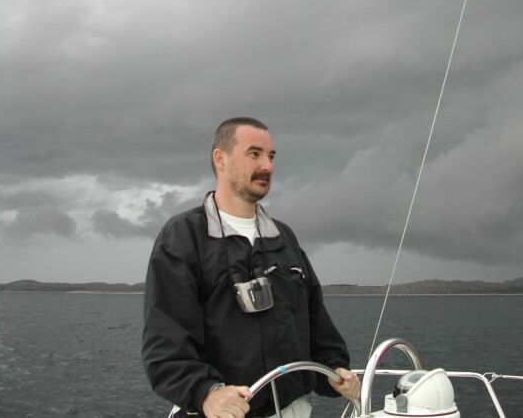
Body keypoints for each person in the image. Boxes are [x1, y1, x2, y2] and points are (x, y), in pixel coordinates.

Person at [143, 117, 360, 418]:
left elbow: (317, 327)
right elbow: (166, 344)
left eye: (271, 156)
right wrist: (206, 393)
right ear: (221, 159)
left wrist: (334, 370)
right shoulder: (183, 237)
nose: (267, 166)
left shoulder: (283, 238)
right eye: (254, 154)